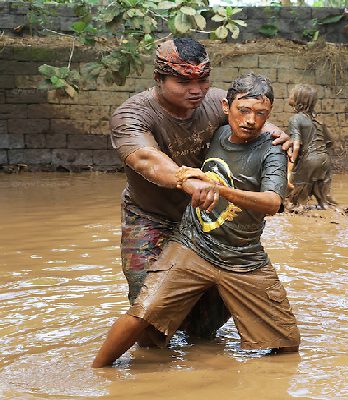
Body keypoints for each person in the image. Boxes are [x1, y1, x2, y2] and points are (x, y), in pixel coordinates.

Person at [93, 73, 300, 368]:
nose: (251, 121)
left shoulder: (272, 150)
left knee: (287, 344)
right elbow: (145, 159)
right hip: (193, 244)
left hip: (243, 257)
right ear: (225, 107)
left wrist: (222, 190)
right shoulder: (214, 131)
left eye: (261, 114)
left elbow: (273, 203)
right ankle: (96, 373)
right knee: (143, 313)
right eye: (243, 111)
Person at [286, 83, 337, 210]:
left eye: (292, 94)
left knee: (295, 204)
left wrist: (290, 171)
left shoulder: (295, 119)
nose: (290, 95)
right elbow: (330, 142)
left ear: (299, 100)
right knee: (324, 203)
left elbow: (296, 146)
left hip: (308, 160)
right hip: (325, 160)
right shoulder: (318, 121)